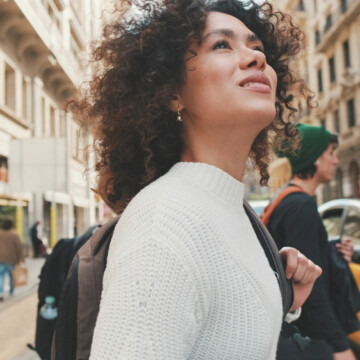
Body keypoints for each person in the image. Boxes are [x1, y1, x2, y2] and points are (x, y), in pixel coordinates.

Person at [73, 0, 323, 358]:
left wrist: (279, 298)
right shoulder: (164, 224)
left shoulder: (228, 210)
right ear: (172, 93)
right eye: (221, 45)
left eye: (257, 46)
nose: (256, 58)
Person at [267, 123, 358, 360]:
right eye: (330, 153)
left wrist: (331, 252)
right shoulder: (301, 206)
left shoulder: (286, 199)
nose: (336, 161)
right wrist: (339, 345)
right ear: (315, 159)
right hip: (310, 337)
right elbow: (311, 286)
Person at [0, 217, 23, 300]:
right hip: (11, 259)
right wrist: (21, 259)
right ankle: (11, 291)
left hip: (1, 259)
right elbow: (19, 247)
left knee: (1, 276)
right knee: (12, 276)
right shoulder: (14, 235)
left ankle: (1, 292)